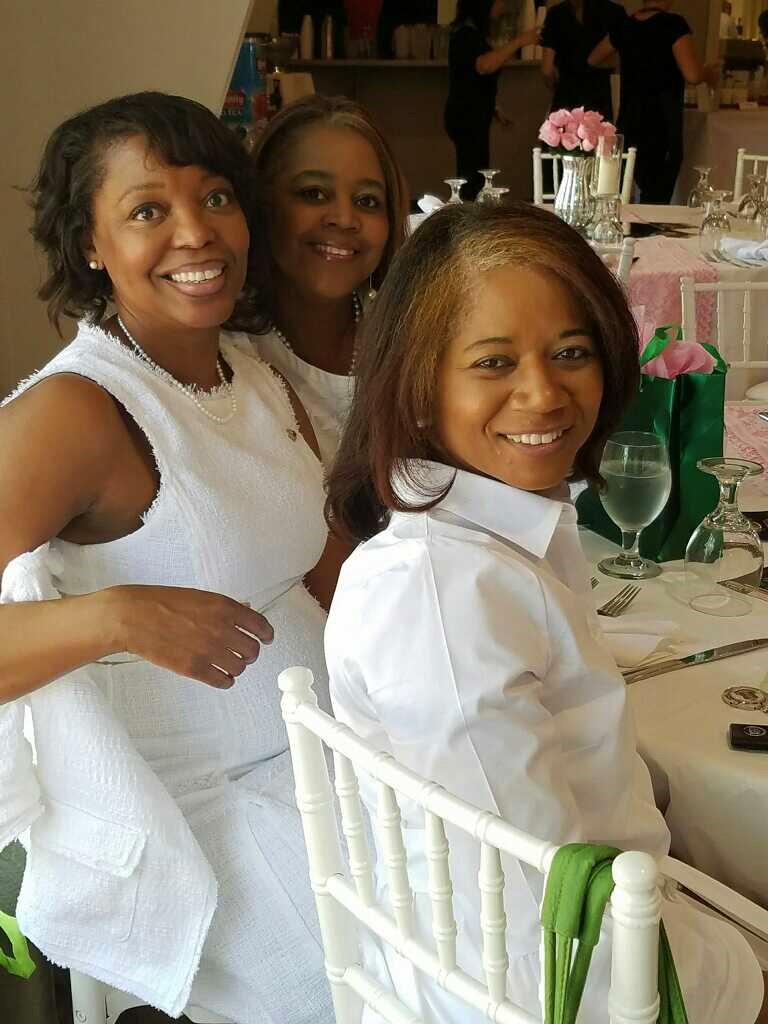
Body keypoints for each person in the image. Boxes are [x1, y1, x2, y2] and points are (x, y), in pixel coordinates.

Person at [323, 202, 764, 1024]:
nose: (544, 393)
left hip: (585, 925)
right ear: (417, 390)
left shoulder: (497, 538)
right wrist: (741, 984)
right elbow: (542, 930)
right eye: (493, 362)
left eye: (571, 352)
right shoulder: (445, 598)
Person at [0, 92, 338, 1024]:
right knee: (413, 982)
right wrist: (110, 616)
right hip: (201, 820)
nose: (197, 232)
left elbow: (330, 574)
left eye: (216, 197)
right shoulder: (75, 411)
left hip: (334, 765)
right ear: (91, 245)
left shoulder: (256, 379)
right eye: (149, 209)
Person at [251, 94, 408, 467]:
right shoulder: (222, 355)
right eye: (314, 194)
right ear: (261, 204)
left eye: (367, 201)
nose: (344, 218)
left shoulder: (409, 340)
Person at [589, 1, 720, 204]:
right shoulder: (673, 25)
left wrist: (628, 61)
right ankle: (652, 222)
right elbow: (693, 74)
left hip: (629, 120)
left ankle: (635, 221)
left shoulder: (624, 25)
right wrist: (709, 73)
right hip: (662, 121)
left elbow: (593, 59)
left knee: (627, 186)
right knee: (657, 193)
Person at [444, 0, 539, 200]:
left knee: (475, 171)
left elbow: (472, 79)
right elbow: (484, 65)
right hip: (466, 116)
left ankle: (473, 209)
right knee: (472, 175)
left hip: (473, 113)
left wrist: (493, 107)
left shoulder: (472, 34)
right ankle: (471, 212)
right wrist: (519, 41)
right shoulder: (466, 34)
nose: (502, 6)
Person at [541, 0, 627, 122]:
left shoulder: (556, 14)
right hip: (599, 99)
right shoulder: (615, 12)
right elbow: (623, 58)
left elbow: (546, 70)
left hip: (565, 98)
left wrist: (558, 87)